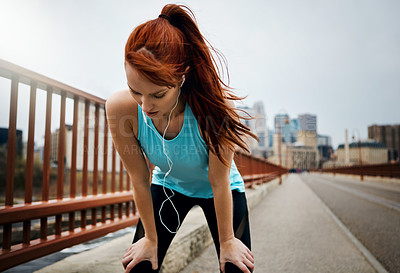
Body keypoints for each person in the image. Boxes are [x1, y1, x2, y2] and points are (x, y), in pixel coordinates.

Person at [106, 4, 257, 273]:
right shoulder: (121, 109)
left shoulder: (214, 111)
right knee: (140, 264)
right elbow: (139, 178)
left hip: (221, 189)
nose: (145, 106)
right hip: (168, 186)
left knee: (236, 266)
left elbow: (218, 180)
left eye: (158, 95)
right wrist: (150, 240)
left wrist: (227, 242)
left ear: (182, 77)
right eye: (135, 91)